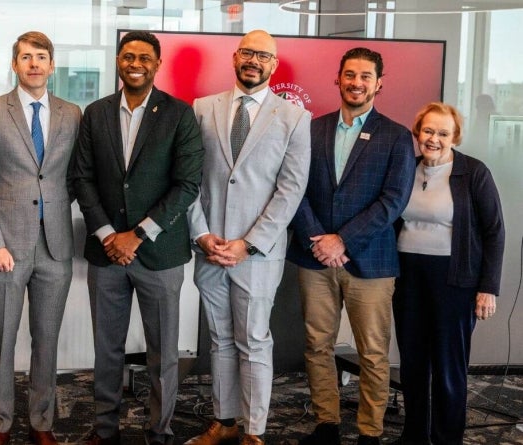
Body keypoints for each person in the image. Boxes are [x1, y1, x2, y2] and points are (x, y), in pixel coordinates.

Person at [68, 31, 203, 445]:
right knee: (106, 349)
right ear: (118, 61)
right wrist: (110, 234)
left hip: (159, 254)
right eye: (128, 56)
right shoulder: (96, 112)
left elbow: (187, 184)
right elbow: (82, 177)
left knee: (163, 352)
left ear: (157, 64)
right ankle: (104, 428)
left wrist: (138, 235)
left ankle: (159, 431)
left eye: (145, 56)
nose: (135, 63)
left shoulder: (179, 114)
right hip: (107, 251)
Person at [184, 30, 311, 445]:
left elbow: (290, 190)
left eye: (264, 55)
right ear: (235, 57)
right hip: (210, 249)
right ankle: (225, 422)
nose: (254, 60)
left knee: (254, 340)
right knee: (219, 339)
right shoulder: (203, 109)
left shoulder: (294, 118)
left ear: (274, 65)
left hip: (257, 255)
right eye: (248, 52)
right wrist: (202, 234)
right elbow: (189, 181)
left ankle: (253, 432)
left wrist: (248, 243)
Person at [287, 47, 416, 445]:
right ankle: (326, 423)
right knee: (316, 345)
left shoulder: (396, 136)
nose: (356, 82)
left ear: (379, 83)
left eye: (365, 76)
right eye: (350, 74)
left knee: (373, 353)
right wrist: (320, 240)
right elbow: (294, 189)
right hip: (314, 258)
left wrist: (342, 240)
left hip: (371, 261)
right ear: (338, 79)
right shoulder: (311, 130)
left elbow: (393, 200)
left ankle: (369, 432)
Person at [0, 31, 81, 445]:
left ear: (52, 65)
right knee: (2, 338)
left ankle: (41, 422)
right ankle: (0, 423)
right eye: (26, 57)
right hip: (6, 247)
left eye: (42, 57)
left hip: (55, 246)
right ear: (14, 65)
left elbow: (74, 176)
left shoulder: (72, 113)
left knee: (46, 340)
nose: (34, 64)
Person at [393, 102, 504, 444]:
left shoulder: (474, 172)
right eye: (428, 131)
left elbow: (494, 232)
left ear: (455, 137)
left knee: (447, 365)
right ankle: (414, 435)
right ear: (417, 133)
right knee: (413, 363)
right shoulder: (405, 169)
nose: (434, 139)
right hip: (407, 277)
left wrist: (488, 288)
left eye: (443, 133)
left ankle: (446, 438)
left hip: (454, 279)